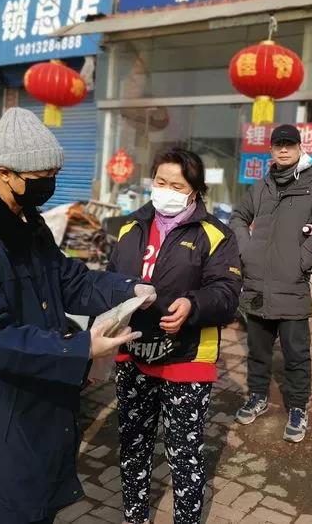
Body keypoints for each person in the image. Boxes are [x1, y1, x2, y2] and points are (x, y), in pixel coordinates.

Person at [0, 107, 156, 524]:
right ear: (4, 173)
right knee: (7, 510)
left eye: (54, 173)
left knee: (40, 507)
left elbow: (69, 280)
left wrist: (129, 289)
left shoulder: (29, 225)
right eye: (41, 176)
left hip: (44, 404)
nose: (50, 184)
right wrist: (81, 347)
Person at [107, 148, 241, 524]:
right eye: (160, 182)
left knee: (184, 453)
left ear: (195, 191)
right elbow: (111, 280)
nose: (166, 190)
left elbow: (227, 292)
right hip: (133, 351)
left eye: (177, 186)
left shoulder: (216, 235)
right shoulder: (129, 228)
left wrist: (192, 304)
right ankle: (134, 516)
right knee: (133, 445)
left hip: (187, 357)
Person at [230, 124, 312, 443]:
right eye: (278, 145)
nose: (284, 149)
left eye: (290, 144)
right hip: (257, 284)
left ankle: (298, 408)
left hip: (292, 284)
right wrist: (246, 251)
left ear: (300, 148)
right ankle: (257, 396)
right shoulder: (261, 186)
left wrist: (300, 261)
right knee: (258, 351)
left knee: (296, 354)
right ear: (271, 150)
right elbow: (238, 217)